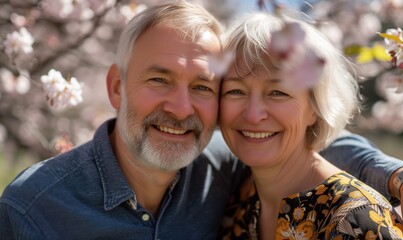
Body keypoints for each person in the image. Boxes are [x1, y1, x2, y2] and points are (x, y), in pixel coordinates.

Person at [0, 2, 402, 239]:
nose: (180, 108)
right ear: (117, 87)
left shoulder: (222, 167)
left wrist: (391, 174)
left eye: (204, 87)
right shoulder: (33, 211)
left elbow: (300, 142)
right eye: (160, 79)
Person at [218, 12, 403, 239]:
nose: (253, 115)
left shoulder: (357, 220)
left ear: (315, 108)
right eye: (235, 91)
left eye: (278, 92)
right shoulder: (237, 199)